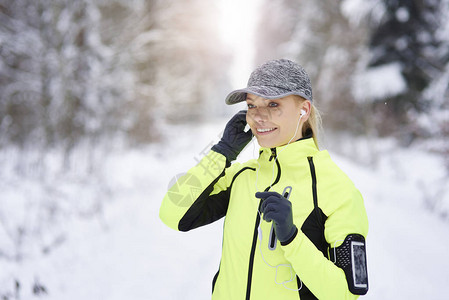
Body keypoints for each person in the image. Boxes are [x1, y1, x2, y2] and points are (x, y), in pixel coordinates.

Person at [159, 59, 369, 299]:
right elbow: (172, 213)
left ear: (304, 110)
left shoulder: (336, 188)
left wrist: (291, 238)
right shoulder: (242, 177)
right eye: (251, 105)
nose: (258, 117)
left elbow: (345, 294)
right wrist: (222, 152)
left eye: (272, 104)